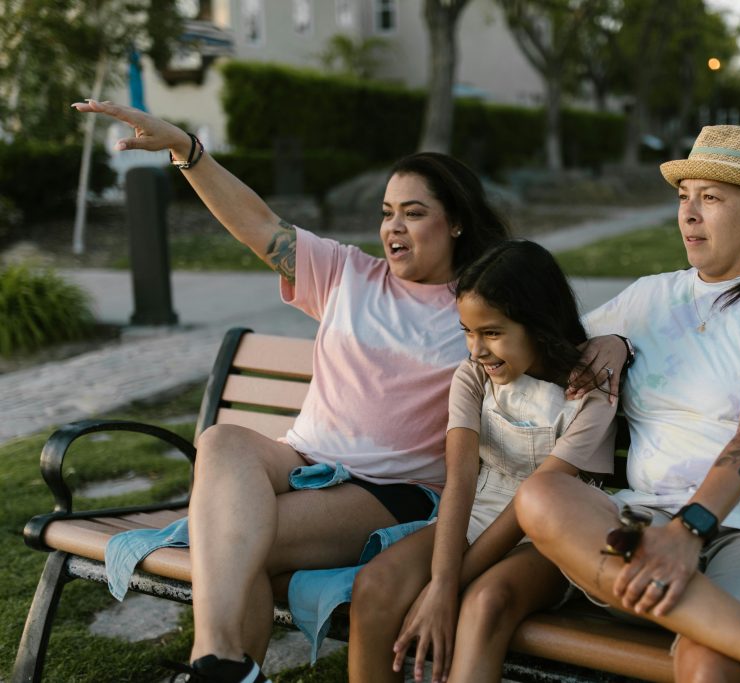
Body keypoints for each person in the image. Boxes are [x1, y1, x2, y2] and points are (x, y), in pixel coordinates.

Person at [72, 100, 512, 683]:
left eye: (413, 212)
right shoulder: (348, 274)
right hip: (305, 456)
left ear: (455, 221)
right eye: (386, 213)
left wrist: (614, 346)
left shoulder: (478, 307)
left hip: (390, 488)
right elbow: (257, 225)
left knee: (234, 545)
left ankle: (214, 668)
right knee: (222, 439)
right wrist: (186, 149)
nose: (393, 228)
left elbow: (565, 340)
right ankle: (224, 665)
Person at [515, 125, 740, 683]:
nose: (689, 214)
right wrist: (617, 342)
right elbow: (546, 355)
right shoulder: (652, 296)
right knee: (545, 495)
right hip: (652, 519)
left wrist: (689, 531)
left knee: (706, 659)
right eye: (684, 197)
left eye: (712, 198)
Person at [347, 240, 618, 683]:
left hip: (553, 531)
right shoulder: (472, 376)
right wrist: (441, 579)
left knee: (486, 600)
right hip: (476, 508)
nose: (476, 349)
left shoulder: (591, 392)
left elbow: (534, 501)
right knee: (375, 586)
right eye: (467, 332)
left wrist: (445, 588)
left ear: (539, 324)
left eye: (491, 332)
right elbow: (461, 480)